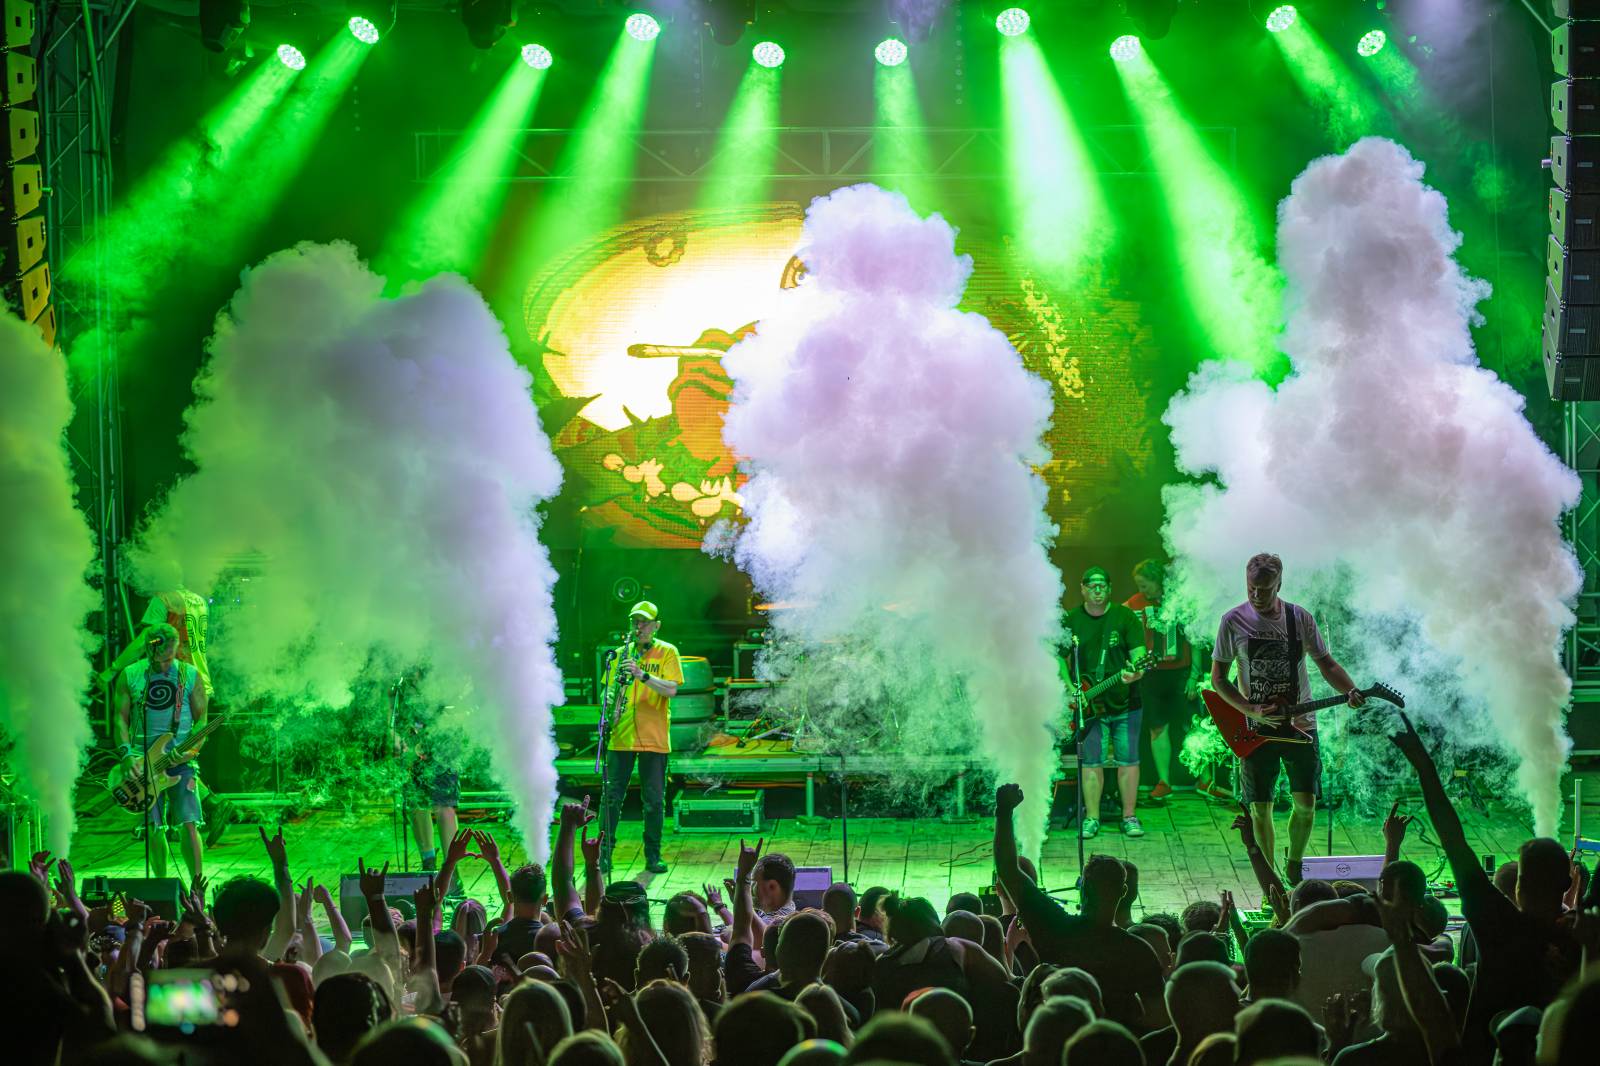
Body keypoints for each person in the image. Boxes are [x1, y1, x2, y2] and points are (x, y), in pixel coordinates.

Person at [1210, 553, 1365, 881]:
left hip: (1300, 725)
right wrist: (1248, 708)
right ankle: (1271, 883)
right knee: (1259, 809)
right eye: (1251, 588)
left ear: (1279, 584)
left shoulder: (1299, 618)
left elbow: (1327, 664)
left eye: (1264, 589)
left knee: (1306, 806)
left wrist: (1350, 689)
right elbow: (1219, 679)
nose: (1256, 595)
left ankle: (1294, 865)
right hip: (1257, 729)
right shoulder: (1233, 620)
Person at [992, 784, 1167, 1031]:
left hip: (1058, 1038)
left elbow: (1008, 869)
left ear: (1082, 888)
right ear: (1123, 892)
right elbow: (1159, 1018)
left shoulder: (1057, 927)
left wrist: (1004, 812)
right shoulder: (1138, 950)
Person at [113, 622, 210, 881]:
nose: (166, 665)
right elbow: (120, 718)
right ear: (149, 648)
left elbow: (202, 720)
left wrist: (192, 750)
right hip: (141, 763)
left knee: (189, 822)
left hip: (180, 761)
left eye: (170, 658)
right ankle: (161, 885)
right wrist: (126, 754)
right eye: (161, 659)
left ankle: (197, 886)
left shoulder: (189, 674)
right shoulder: (130, 674)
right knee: (153, 827)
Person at [1060, 567, 1148, 839]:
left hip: (1126, 703)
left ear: (1110, 588)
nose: (1097, 590)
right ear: (1082, 588)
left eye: (1102, 585)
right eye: (1092, 585)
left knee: (1128, 760)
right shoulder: (1071, 620)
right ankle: (1092, 818)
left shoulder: (1125, 617)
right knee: (1091, 762)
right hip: (1089, 706)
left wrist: (1136, 672)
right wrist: (1071, 688)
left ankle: (1129, 816)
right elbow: (1059, 657)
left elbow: (1140, 655)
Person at [599, 600, 684, 876]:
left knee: (654, 801)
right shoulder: (619, 654)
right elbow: (608, 692)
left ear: (656, 625)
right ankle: (603, 856)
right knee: (611, 798)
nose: (639, 627)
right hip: (621, 736)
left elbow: (671, 690)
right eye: (635, 621)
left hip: (653, 738)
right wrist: (609, 701)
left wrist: (641, 675)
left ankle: (653, 856)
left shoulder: (667, 652)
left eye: (644, 622)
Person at [1124, 559, 1206, 802]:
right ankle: (1164, 781)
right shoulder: (1135, 604)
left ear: (1157, 580)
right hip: (1152, 676)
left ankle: (1205, 779)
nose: (1141, 590)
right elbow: (1120, 623)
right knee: (1157, 727)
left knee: (1193, 724)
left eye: (1144, 585)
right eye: (1138, 585)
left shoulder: (1180, 601)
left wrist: (1194, 675)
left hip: (1181, 673)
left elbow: (1196, 639)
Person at [392, 669, 462, 880]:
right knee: (417, 803)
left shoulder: (440, 668)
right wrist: (395, 735)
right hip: (414, 745)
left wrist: (430, 735)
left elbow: (457, 705)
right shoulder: (402, 678)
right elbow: (392, 708)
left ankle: (452, 870)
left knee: (444, 805)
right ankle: (428, 864)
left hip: (443, 742)